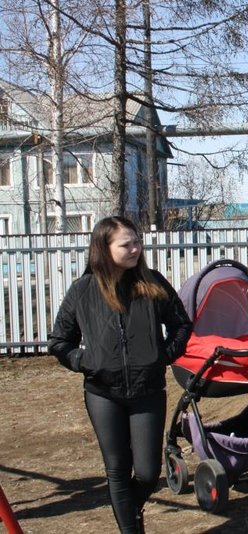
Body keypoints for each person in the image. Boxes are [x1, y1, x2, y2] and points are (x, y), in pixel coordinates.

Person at [48, 216, 192, 534]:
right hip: (103, 393)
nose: (135, 249)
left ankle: (129, 511)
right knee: (117, 470)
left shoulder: (152, 283)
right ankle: (130, 528)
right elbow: (59, 342)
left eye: (137, 242)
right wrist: (85, 361)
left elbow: (182, 324)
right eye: (126, 244)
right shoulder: (83, 290)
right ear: (104, 248)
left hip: (147, 390)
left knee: (147, 473)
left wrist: (162, 356)